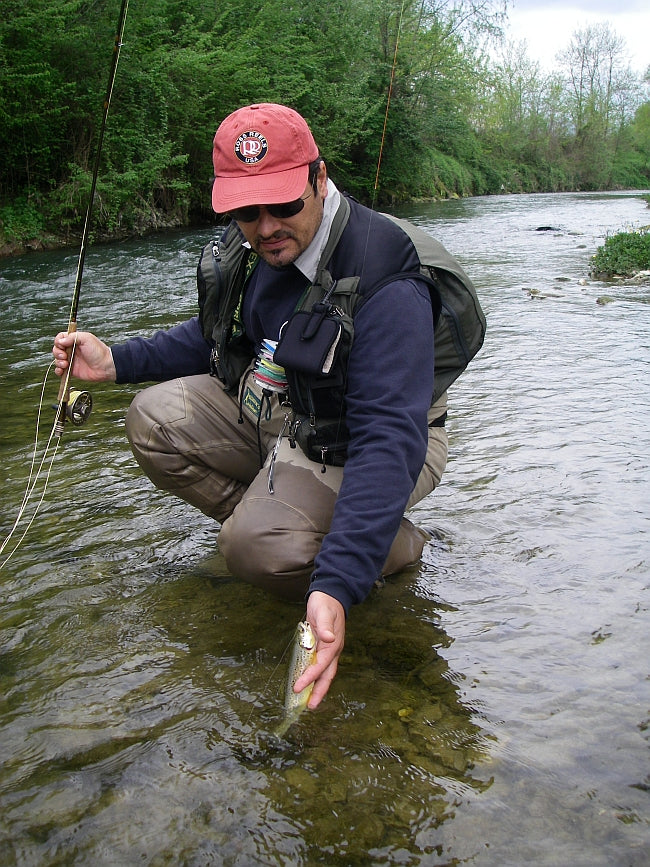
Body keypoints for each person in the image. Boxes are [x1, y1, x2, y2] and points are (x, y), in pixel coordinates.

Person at [52, 103, 450, 709]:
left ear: (320, 179)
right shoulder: (259, 254)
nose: (265, 227)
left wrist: (337, 585)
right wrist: (115, 364)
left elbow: (389, 439)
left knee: (254, 547)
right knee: (153, 420)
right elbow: (217, 339)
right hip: (292, 414)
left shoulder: (386, 278)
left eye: (283, 204)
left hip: (381, 439)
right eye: (246, 210)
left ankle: (383, 545)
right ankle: (284, 527)